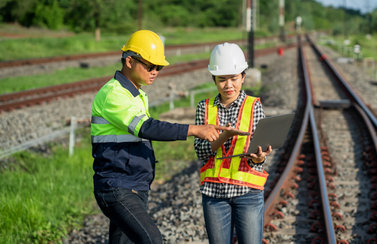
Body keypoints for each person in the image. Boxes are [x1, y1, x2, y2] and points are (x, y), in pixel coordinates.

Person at [90, 30, 245, 244]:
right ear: (129, 61)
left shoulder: (135, 94)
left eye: (159, 67)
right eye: (150, 66)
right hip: (117, 186)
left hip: (134, 184)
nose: (155, 72)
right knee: (152, 240)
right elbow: (146, 128)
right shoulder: (114, 94)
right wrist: (194, 129)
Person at [194, 42, 272, 244]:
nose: (229, 85)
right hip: (214, 194)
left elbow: (258, 156)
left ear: (243, 77)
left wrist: (259, 158)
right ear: (214, 79)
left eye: (234, 79)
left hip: (248, 193)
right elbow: (200, 152)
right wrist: (223, 138)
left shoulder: (254, 106)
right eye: (222, 80)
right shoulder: (204, 108)